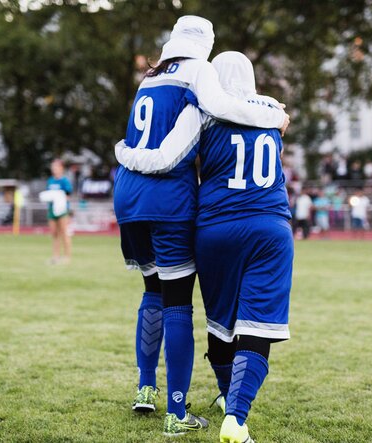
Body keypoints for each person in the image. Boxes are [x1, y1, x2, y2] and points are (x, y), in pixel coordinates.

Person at [113, 16, 289, 437]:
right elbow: (225, 108)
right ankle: (187, 411)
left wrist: (122, 153)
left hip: (133, 196)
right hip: (190, 204)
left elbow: (162, 140)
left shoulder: (151, 78)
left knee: (153, 290)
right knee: (180, 303)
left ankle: (145, 387)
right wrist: (276, 115)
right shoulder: (209, 79)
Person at [45, 159, 73, 264]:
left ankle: (67, 257)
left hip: (62, 210)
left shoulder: (64, 181)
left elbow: (68, 195)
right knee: (54, 234)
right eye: (53, 167)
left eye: (56, 167)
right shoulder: (50, 181)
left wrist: (59, 197)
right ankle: (55, 256)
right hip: (52, 209)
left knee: (64, 233)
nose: (54, 169)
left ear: (61, 168)